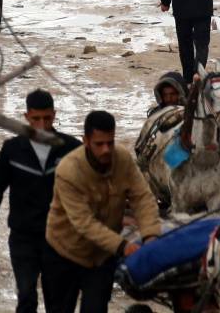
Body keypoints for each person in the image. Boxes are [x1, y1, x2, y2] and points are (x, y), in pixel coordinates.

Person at [44, 110, 162, 313]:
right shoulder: (68, 170)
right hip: (64, 253)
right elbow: (83, 223)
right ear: (86, 141)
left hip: (101, 258)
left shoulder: (123, 159)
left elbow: (142, 198)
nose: (106, 149)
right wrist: (123, 246)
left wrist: (150, 236)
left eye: (110, 142)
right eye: (99, 144)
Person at [0, 89, 79, 313]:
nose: (42, 124)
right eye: (36, 119)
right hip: (23, 238)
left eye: (47, 118)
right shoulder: (13, 150)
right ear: (26, 117)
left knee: (58, 302)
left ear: (54, 115)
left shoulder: (71, 149)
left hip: (60, 239)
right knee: (26, 297)